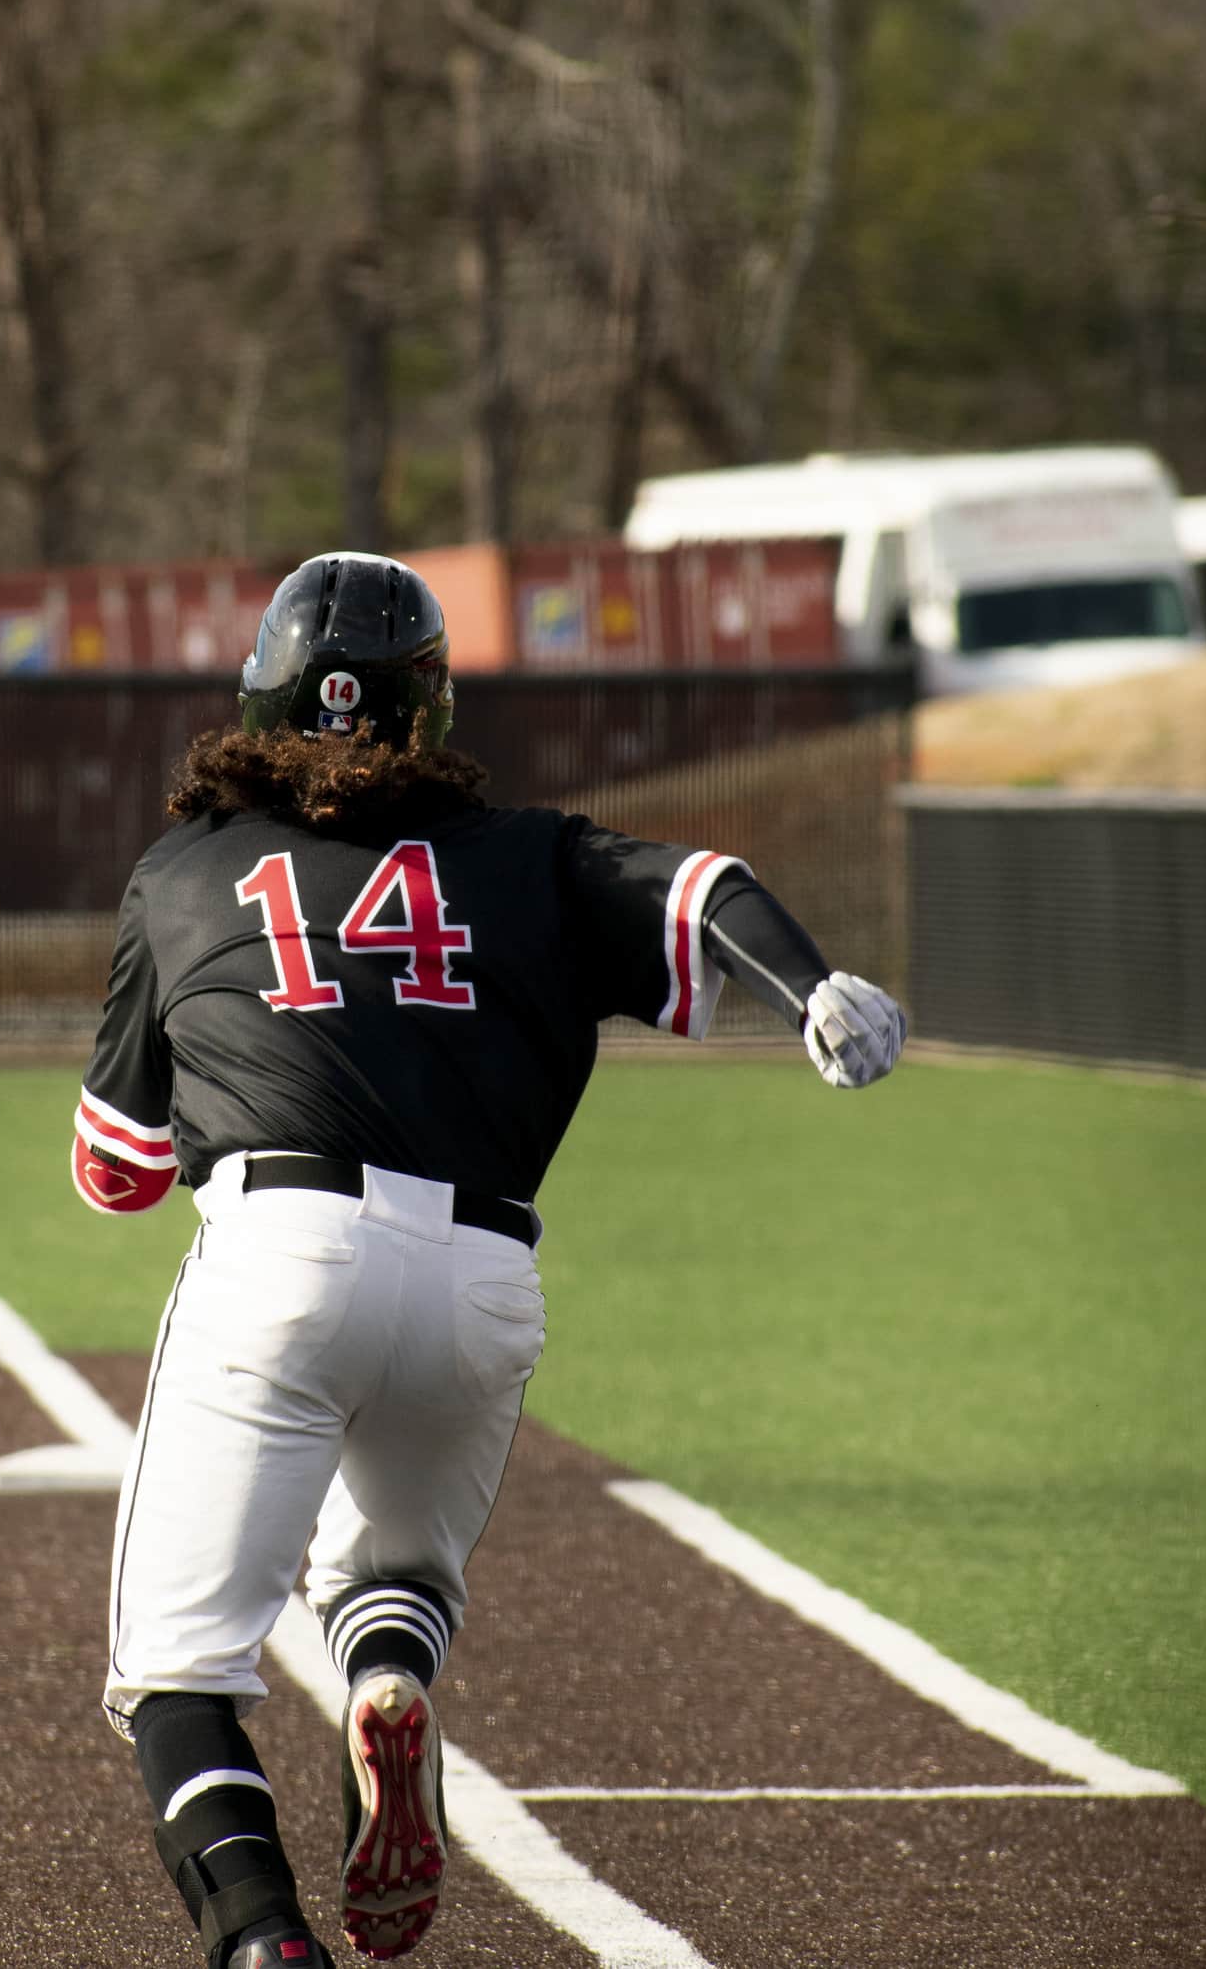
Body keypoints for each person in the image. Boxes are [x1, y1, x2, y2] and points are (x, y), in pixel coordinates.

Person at [72, 552, 908, 1969]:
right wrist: (815, 983)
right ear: (432, 712)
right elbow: (705, 884)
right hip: (477, 1278)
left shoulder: (181, 871)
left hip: (276, 1254)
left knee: (174, 1676)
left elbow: (119, 1167)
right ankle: (389, 1680)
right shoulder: (530, 854)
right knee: (394, 1574)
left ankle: (264, 1939)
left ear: (259, 699)